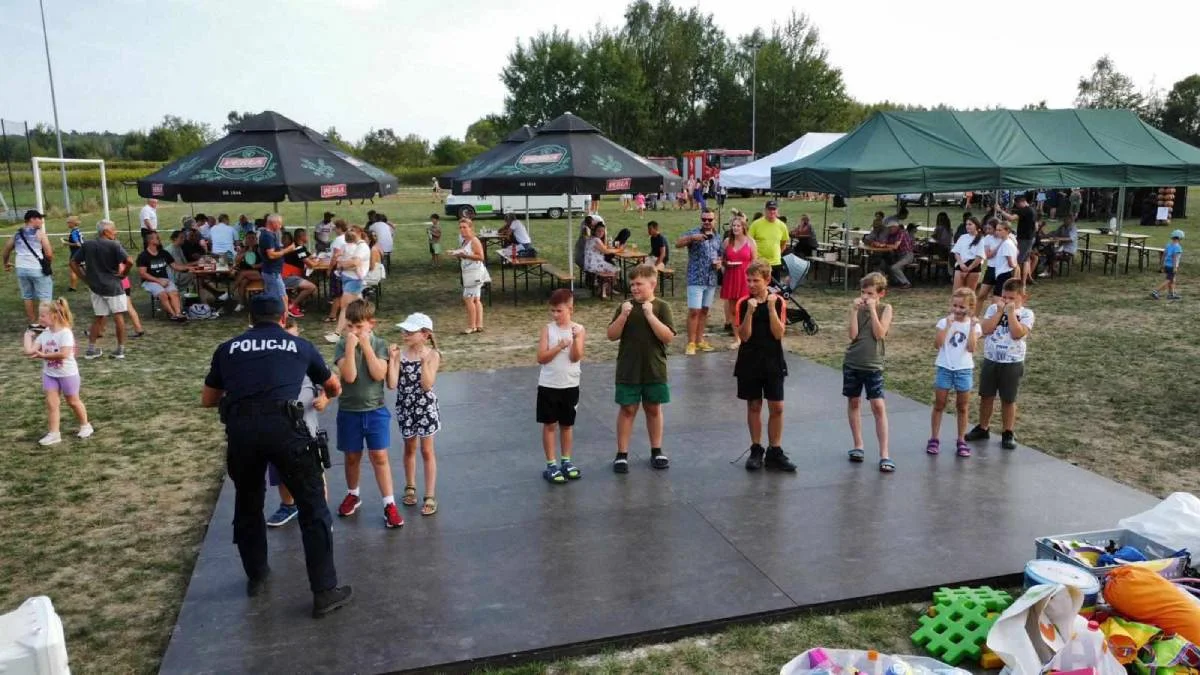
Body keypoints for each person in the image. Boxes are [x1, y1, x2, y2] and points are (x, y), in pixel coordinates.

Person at [201, 294, 351, 617]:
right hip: (288, 429)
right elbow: (333, 386)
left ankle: (257, 576)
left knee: (248, 504)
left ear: (250, 320)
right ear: (284, 317)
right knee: (313, 508)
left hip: (243, 434)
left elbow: (208, 399)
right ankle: (325, 591)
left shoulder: (227, 349)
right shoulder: (301, 346)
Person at [332, 299, 402, 528]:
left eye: (359, 327)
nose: (353, 331)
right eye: (350, 326)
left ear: (371, 324)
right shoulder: (343, 345)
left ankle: (389, 504)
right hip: (349, 411)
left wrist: (367, 346)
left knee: (379, 456)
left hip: (375, 410)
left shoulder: (380, 343)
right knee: (352, 457)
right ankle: (353, 494)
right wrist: (351, 347)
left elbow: (379, 373)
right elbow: (349, 376)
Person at [606, 264, 676, 473]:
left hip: (654, 367)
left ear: (652, 284)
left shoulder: (662, 307)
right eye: (632, 284)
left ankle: (656, 450)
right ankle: (622, 454)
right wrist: (623, 316)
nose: (634, 288)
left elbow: (668, 337)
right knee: (627, 408)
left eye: (639, 284)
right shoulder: (625, 307)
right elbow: (611, 335)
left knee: (653, 408)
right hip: (628, 367)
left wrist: (650, 315)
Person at [266, 318, 331, 527]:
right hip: (277, 428)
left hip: (307, 430)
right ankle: (288, 505)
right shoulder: (267, 359)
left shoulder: (306, 355)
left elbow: (331, 382)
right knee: (279, 470)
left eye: (293, 336)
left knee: (315, 472)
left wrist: (324, 398)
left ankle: (322, 512)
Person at [735, 260, 796, 472]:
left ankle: (775, 451)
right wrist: (750, 313)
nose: (751, 284)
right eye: (748, 280)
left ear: (767, 280)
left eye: (756, 281)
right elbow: (744, 336)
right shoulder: (743, 303)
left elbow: (779, 334)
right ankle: (755, 448)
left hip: (772, 359)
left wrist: (770, 308)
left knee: (777, 406)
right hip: (750, 359)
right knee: (754, 405)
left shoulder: (778, 302)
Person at [966, 279, 1034, 450]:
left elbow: (1017, 333)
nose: (1007, 301)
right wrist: (999, 312)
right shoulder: (993, 309)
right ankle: (983, 427)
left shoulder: (1027, 314)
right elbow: (986, 329)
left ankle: (1008, 432)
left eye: (1011, 298)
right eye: (1004, 297)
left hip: (1012, 361)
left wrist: (1010, 313)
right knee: (986, 395)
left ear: (1022, 298)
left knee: (1008, 398)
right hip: (991, 358)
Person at [389, 312, 442, 515]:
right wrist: (393, 360)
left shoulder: (433, 355)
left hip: (424, 406)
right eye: (404, 330)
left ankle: (430, 494)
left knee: (427, 450)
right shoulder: (400, 354)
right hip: (406, 406)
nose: (405, 334)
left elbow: (427, 385)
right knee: (409, 447)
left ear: (425, 334)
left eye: (410, 331)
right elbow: (393, 384)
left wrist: (423, 363)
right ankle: (410, 485)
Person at [843, 272, 895, 473]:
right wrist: (854, 312)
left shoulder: (885, 308)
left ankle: (884, 453)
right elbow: (853, 335)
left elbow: (880, 333)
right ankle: (858, 445)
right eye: (863, 292)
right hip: (853, 361)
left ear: (881, 294)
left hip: (873, 364)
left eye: (871, 293)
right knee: (853, 401)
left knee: (878, 405)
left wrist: (873, 310)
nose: (866, 297)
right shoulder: (857, 308)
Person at [23, 298, 93, 446]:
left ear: (54, 315)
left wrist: (43, 356)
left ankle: (85, 425)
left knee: (73, 401)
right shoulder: (45, 333)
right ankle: (54, 433)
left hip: (67, 374)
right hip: (50, 374)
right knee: (51, 403)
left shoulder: (65, 333)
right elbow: (29, 351)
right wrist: (27, 336)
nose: (39, 319)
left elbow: (64, 354)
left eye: (42, 315)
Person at [534, 289, 586, 484]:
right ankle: (551, 464)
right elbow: (541, 358)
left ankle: (566, 461)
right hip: (549, 384)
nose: (555, 315)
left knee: (567, 425)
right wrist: (558, 347)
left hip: (570, 383)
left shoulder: (579, 329)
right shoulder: (548, 329)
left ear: (570, 309)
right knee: (549, 425)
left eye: (559, 311)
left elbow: (576, 357)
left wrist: (575, 340)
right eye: (553, 311)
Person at [927, 288, 981, 458]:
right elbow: (938, 344)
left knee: (962, 406)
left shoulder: (974, 325)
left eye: (962, 307)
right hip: (945, 367)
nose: (957, 310)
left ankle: (961, 440)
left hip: (963, 369)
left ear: (971, 308)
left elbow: (972, 348)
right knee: (939, 403)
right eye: (955, 306)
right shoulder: (944, 322)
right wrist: (948, 326)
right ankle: (934, 438)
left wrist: (972, 328)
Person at [71, 220, 136, 360]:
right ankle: (120, 349)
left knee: (99, 317)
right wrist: (124, 274)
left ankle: (91, 349)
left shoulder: (87, 245)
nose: (116, 232)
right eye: (114, 230)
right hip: (113, 286)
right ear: (106, 232)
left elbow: (72, 262)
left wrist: (83, 278)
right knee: (118, 316)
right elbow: (130, 261)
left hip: (95, 287)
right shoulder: (114, 245)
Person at [677, 208, 723, 355]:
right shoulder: (694, 233)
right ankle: (691, 342)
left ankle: (699, 340)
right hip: (696, 278)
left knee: (704, 311)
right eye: (704, 219)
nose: (707, 222)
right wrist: (692, 239)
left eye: (710, 220)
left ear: (714, 220)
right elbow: (678, 243)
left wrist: (719, 263)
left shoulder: (718, 237)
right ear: (701, 219)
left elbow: (721, 255)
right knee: (694, 311)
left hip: (711, 279)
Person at [3, 209, 55, 328]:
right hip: (36, 268)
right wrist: (48, 264)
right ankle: (44, 323)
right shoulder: (40, 233)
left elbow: (6, 250)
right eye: (39, 218)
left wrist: (5, 263)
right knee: (45, 296)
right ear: (32, 219)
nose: (42, 221)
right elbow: (49, 253)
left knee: (27, 296)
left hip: (21, 268)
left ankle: (33, 323)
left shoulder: (17, 234)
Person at [325, 228, 369, 343]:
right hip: (350, 279)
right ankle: (365, 330)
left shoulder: (361, 247)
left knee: (345, 307)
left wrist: (341, 266)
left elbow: (354, 263)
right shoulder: (356, 247)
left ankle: (337, 333)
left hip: (353, 280)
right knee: (360, 307)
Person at [721, 216, 756, 349]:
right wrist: (725, 265)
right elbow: (722, 259)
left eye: (738, 226)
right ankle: (737, 338)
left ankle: (749, 336)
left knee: (747, 309)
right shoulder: (727, 242)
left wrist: (752, 280)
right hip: (731, 277)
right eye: (733, 226)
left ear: (743, 228)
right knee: (733, 310)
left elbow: (754, 262)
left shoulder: (751, 242)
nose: (735, 228)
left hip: (745, 278)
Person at [137, 232, 188, 322]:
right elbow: (143, 274)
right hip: (150, 281)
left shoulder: (164, 253)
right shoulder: (143, 256)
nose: (159, 240)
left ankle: (178, 314)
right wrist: (158, 281)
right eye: (157, 238)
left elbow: (175, 266)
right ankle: (173, 315)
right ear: (150, 240)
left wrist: (190, 268)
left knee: (174, 293)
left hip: (165, 280)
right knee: (163, 294)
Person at [450, 218, 489, 334]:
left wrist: (465, 256)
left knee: (468, 299)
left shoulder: (474, 241)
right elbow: (465, 253)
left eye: (464, 227)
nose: (462, 230)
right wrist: (457, 253)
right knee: (476, 299)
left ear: (471, 228)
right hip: (469, 272)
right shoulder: (465, 241)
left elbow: (481, 257)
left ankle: (472, 326)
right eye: (460, 227)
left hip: (474, 273)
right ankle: (479, 325)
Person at [976, 219, 1019, 311]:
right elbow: (988, 255)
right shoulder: (988, 238)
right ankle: (975, 316)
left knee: (998, 298)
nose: (988, 231)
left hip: (1003, 270)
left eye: (990, 229)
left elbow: (1014, 252)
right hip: (991, 269)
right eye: (987, 229)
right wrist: (1000, 244)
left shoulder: (1009, 239)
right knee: (981, 295)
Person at [259, 214, 295, 313]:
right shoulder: (268, 236)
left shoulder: (269, 234)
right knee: (283, 298)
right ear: (273, 223)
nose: (280, 226)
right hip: (272, 272)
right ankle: (285, 322)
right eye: (279, 223)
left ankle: (275, 320)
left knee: (274, 297)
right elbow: (271, 255)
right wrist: (287, 250)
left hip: (272, 272)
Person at [748, 200, 790, 281]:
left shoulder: (782, 226)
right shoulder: (756, 224)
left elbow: (784, 243)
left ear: (777, 211)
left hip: (775, 263)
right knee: (759, 288)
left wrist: (777, 253)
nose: (772, 211)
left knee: (774, 289)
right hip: (759, 263)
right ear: (765, 210)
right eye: (769, 209)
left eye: (774, 209)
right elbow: (749, 243)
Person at [283, 228, 319, 317]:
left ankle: (297, 302)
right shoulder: (298, 248)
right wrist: (317, 262)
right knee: (312, 287)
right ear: (302, 237)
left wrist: (313, 260)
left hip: (293, 275)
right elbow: (311, 264)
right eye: (306, 235)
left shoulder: (300, 247)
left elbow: (310, 257)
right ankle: (292, 305)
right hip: (287, 276)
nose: (307, 237)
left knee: (312, 279)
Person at [873, 217, 915, 289]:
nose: (888, 230)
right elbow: (886, 243)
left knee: (894, 267)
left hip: (907, 255)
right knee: (884, 265)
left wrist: (884, 245)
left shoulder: (901, 233)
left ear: (895, 227)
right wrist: (878, 243)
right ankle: (894, 280)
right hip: (898, 255)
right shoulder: (891, 235)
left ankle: (906, 283)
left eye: (890, 228)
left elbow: (895, 246)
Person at [584, 222, 621, 300]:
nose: (601, 233)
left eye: (603, 231)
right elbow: (606, 251)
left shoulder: (590, 238)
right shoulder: (596, 240)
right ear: (594, 231)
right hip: (594, 264)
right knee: (616, 269)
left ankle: (608, 288)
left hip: (589, 264)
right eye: (599, 231)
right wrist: (618, 250)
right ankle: (604, 289)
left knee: (611, 268)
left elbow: (604, 248)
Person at [232, 232, 263, 313]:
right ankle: (242, 303)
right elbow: (236, 260)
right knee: (243, 281)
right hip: (248, 274)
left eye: (253, 238)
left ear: (256, 239)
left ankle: (230, 292)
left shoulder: (259, 249)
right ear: (246, 240)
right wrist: (246, 252)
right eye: (248, 238)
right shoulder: (244, 249)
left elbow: (266, 262)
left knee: (242, 273)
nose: (251, 240)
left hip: (259, 272)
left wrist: (256, 266)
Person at [951, 217, 984, 291]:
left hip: (973, 267)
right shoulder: (962, 237)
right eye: (966, 224)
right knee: (957, 292)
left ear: (976, 226)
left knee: (969, 293)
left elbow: (979, 257)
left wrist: (969, 269)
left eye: (970, 224)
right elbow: (956, 252)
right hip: (961, 265)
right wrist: (961, 264)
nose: (967, 226)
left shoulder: (981, 239)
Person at [1151, 229, 1184, 300]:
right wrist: (1175, 267)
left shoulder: (1168, 245)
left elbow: (1164, 255)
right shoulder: (1178, 247)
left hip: (1167, 265)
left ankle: (1171, 294)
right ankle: (1155, 291)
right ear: (1180, 238)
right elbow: (1174, 257)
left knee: (1172, 280)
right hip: (1172, 266)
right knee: (1168, 280)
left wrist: (1161, 264)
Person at [65, 216, 83, 291]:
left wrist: (67, 243)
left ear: (72, 223)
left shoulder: (73, 232)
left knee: (73, 270)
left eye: (68, 223)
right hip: (80, 252)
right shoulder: (77, 230)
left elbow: (78, 244)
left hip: (75, 252)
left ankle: (73, 287)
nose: (67, 224)